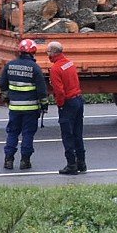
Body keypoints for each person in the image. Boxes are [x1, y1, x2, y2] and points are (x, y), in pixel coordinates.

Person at [0, 39, 49, 170]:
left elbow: (2, 85)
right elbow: (42, 91)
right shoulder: (35, 68)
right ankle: (25, 161)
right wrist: (44, 105)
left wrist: (7, 98)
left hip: (14, 108)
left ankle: (8, 160)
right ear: (33, 52)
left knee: (12, 133)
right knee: (27, 134)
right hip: (31, 109)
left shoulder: (10, 65)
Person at [47, 41, 86, 175]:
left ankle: (71, 165)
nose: (47, 54)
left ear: (54, 52)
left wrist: (60, 104)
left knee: (67, 135)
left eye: (48, 52)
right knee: (77, 133)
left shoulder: (55, 69)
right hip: (78, 100)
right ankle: (81, 162)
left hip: (68, 103)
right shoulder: (69, 63)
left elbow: (59, 91)